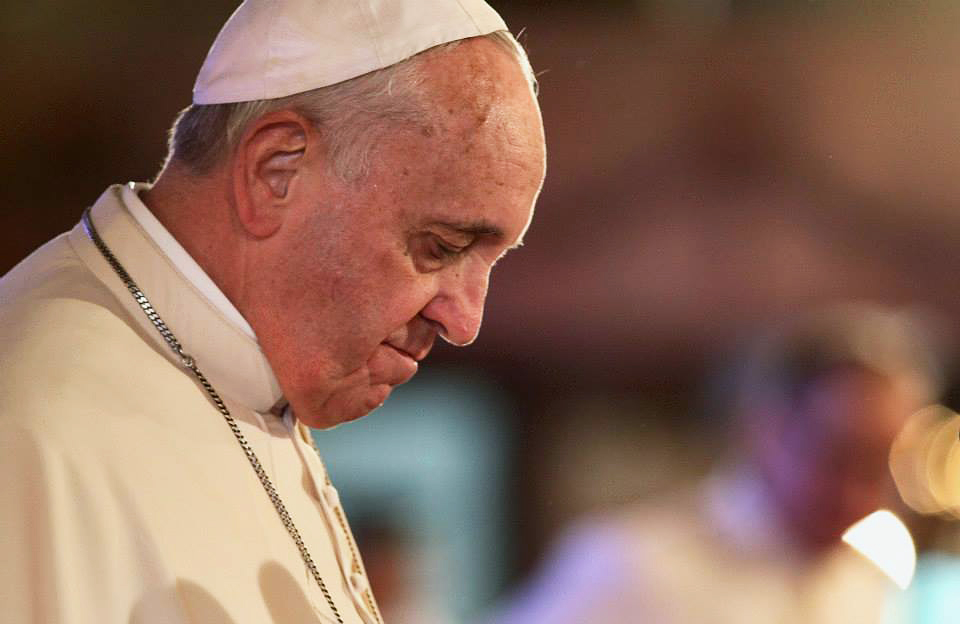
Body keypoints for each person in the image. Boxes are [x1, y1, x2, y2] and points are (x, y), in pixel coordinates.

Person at [0, 1, 546, 622]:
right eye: (440, 247)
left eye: (489, 260)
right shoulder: (34, 434)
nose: (465, 322)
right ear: (275, 171)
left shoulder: (243, 377)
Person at [490, 304, 942, 624]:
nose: (860, 495)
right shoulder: (631, 564)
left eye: (881, 466)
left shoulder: (863, 582)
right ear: (766, 428)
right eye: (837, 456)